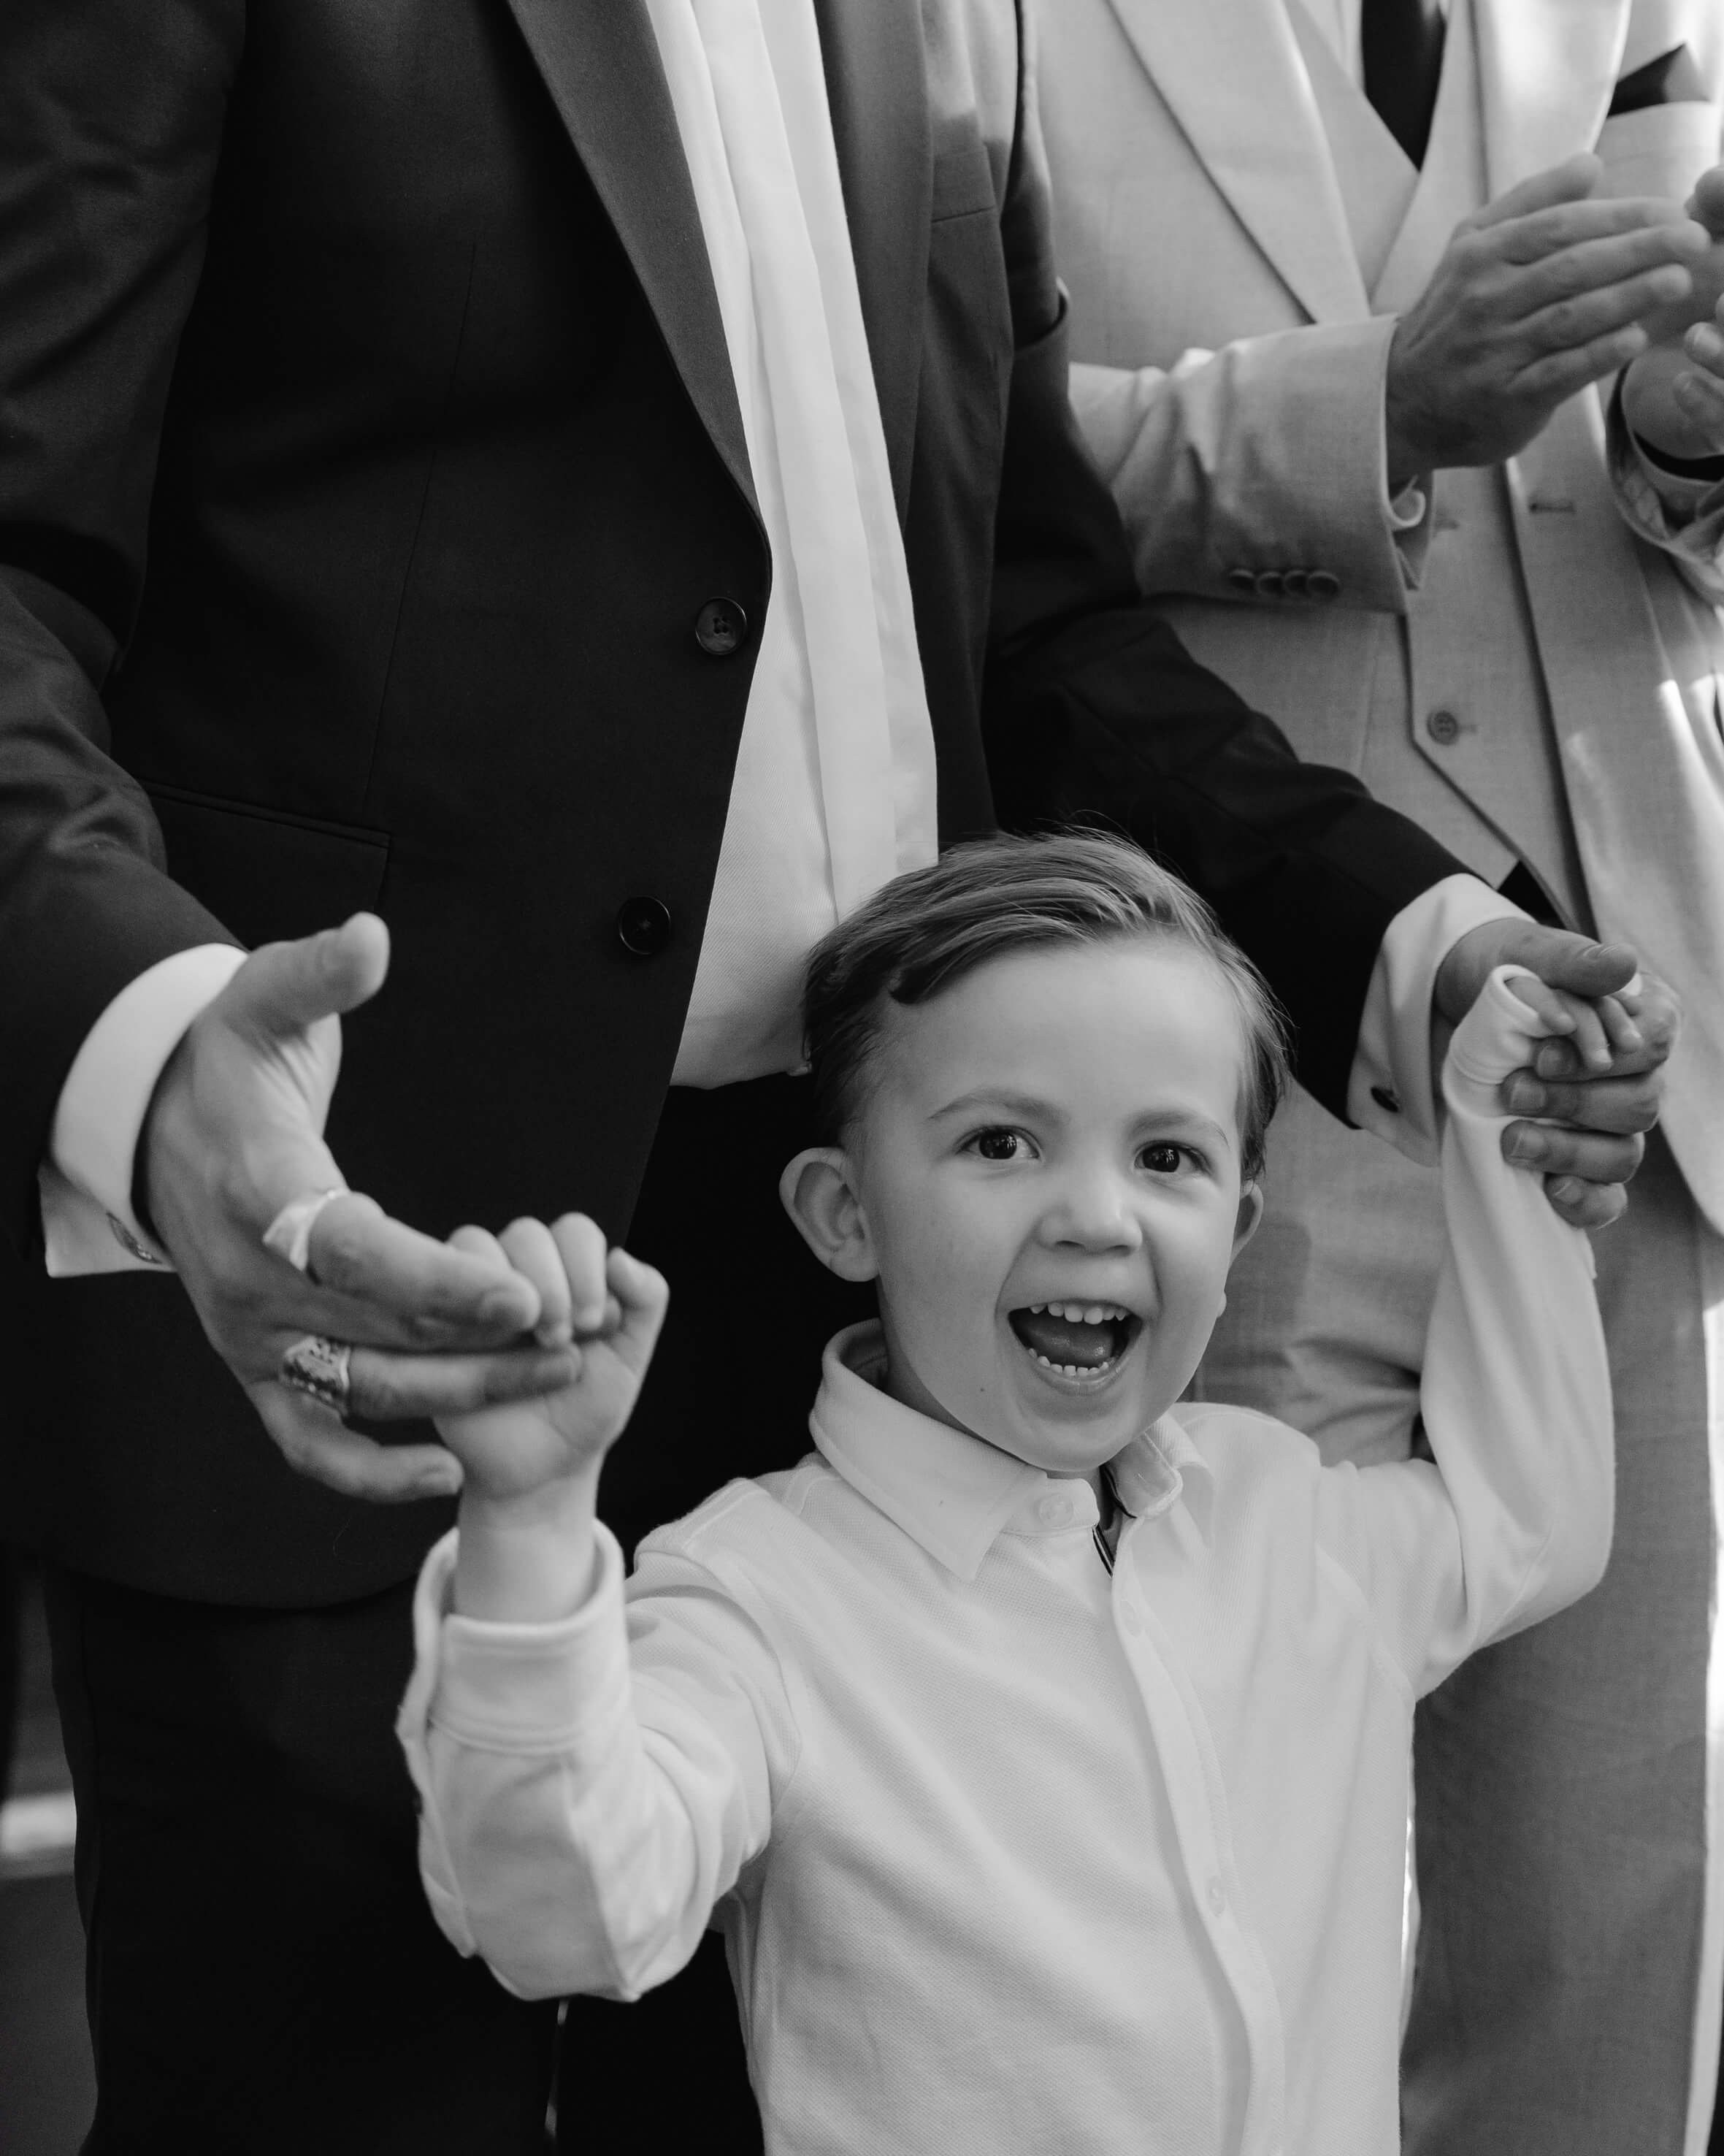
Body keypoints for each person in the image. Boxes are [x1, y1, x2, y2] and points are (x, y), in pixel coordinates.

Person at [0, 1, 1671, 2147]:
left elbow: (1029, 627)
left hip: (841, 1324)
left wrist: (1425, 950)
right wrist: (150, 1051)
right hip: (349, 1278)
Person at [399, 831, 1614, 2156]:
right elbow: (560, 1922)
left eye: (1166, 1158)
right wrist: (527, 1519)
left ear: (1236, 1235)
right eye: (1001, 1142)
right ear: (843, 1214)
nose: (1096, 1215)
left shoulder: (1285, 1516)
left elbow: (1529, 1526)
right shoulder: (754, 1597)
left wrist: (1501, 1133)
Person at [1033, 5, 1724, 2148]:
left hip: (1612, 1057)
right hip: (1210, 1056)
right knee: (1207, 1926)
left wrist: (1686, 433)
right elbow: (931, 470)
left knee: (1607, 1940)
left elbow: (1656, 506)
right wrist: (1368, 411)